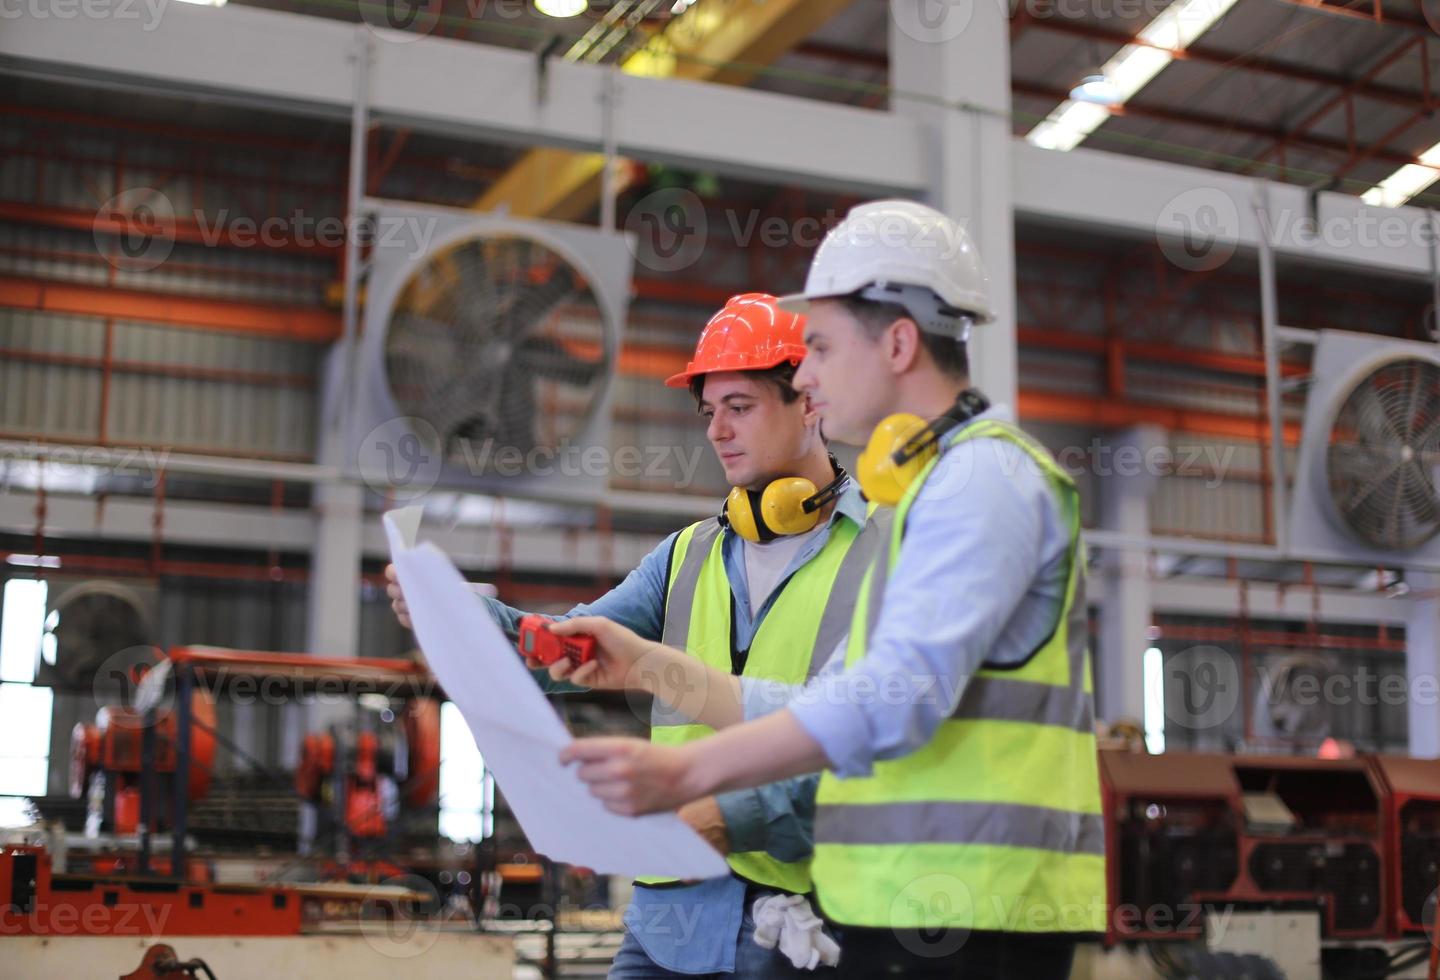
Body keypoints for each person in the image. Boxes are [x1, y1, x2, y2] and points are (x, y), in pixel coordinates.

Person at [545, 201, 1107, 979]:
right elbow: (830, 696)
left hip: (977, 914)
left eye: (822, 346)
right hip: (907, 909)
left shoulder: (987, 479)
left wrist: (689, 772)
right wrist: (647, 665)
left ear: (900, 343)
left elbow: (887, 700)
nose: (806, 374)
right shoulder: (928, 496)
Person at [387, 293, 885, 978]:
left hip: (793, 923)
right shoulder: (687, 556)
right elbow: (566, 649)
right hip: (668, 914)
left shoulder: (882, 556)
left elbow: (865, 742)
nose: (717, 432)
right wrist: (461, 614)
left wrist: (725, 815)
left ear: (810, 404)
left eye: (740, 407)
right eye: (710, 412)